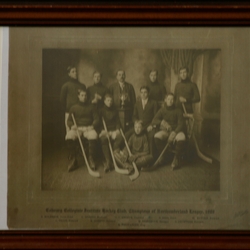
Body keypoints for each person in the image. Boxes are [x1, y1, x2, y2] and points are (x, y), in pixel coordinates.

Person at [65, 89, 99, 172]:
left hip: (88, 128)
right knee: (69, 136)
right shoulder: (74, 107)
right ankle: (74, 160)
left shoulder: (92, 107)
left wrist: (92, 126)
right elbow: (69, 120)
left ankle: (91, 159)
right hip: (78, 128)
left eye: (85, 95)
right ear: (78, 96)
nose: (84, 97)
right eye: (82, 95)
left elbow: (97, 119)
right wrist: (72, 126)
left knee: (93, 135)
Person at [152, 93, 186, 169]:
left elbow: (181, 124)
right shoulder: (162, 110)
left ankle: (176, 158)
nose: (170, 101)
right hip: (166, 131)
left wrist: (175, 132)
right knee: (156, 136)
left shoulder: (178, 110)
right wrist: (162, 123)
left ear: (174, 101)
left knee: (182, 137)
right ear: (165, 100)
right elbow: (154, 120)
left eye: (172, 99)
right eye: (168, 99)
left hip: (177, 131)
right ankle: (164, 156)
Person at [126, 86, 158, 157]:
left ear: (148, 93)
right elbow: (134, 116)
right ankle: (128, 154)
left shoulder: (153, 103)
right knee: (127, 134)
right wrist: (136, 121)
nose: (143, 94)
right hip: (139, 126)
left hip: (149, 125)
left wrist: (152, 125)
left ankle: (150, 156)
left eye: (145, 92)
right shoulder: (137, 103)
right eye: (142, 92)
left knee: (151, 136)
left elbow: (156, 117)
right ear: (140, 94)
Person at [99, 94, 123, 173]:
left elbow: (117, 122)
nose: (110, 102)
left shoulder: (114, 110)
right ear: (104, 101)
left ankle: (115, 157)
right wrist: (102, 130)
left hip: (113, 130)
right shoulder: (101, 110)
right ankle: (108, 160)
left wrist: (117, 129)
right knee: (103, 139)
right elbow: (98, 123)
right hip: (105, 130)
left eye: (111, 101)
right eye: (108, 101)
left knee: (120, 137)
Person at [60, 65, 86, 133]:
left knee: (80, 132)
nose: (75, 73)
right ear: (69, 74)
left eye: (76, 71)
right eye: (73, 71)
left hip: (80, 113)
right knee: (70, 132)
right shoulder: (66, 86)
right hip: (69, 112)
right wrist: (68, 109)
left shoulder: (82, 86)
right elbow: (62, 100)